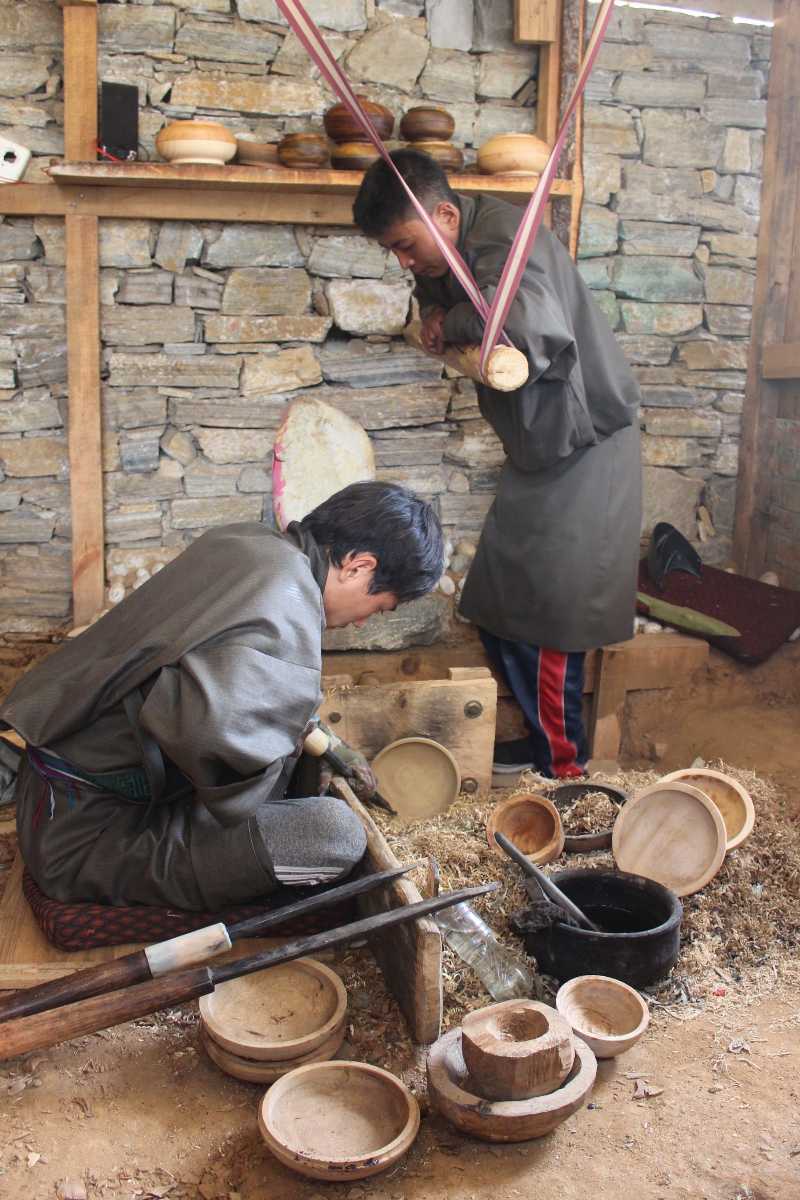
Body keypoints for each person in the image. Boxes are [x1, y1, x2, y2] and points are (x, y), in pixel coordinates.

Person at [0, 481, 444, 909]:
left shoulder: (248, 543)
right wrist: (290, 752)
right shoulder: (286, 607)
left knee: (294, 773)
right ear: (359, 566)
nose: (365, 622)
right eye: (381, 606)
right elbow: (208, 740)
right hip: (87, 838)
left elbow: (196, 668)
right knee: (334, 834)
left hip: (53, 795)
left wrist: (315, 738)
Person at [354, 151, 642, 779]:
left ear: (447, 215)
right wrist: (436, 315)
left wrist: (446, 319)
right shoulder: (449, 248)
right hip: (539, 452)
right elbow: (444, 310)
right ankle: (542, 745)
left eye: (405, 245)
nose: (404, 262)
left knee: (554, 622)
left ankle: (565, 773)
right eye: (394, 253)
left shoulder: (510, 238)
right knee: (495, 606)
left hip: (587, 447)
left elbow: (519, 326)